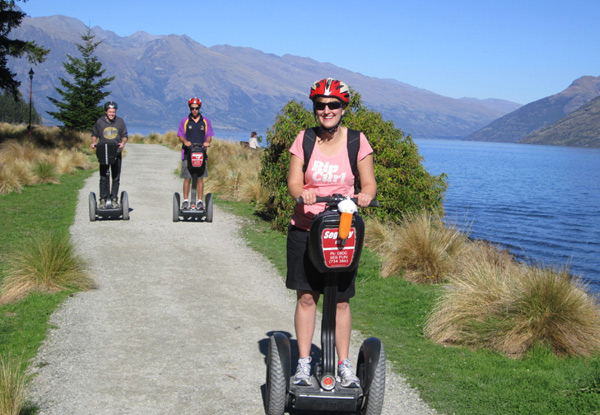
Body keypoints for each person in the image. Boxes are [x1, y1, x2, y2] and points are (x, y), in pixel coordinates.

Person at [286, 78, 377, 388]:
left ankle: (343, 364)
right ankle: (302, 364)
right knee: (307, 297)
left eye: (333, 105)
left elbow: (369, 183)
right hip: (305, 228)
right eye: (320, 105)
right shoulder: (304, 140)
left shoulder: (357, 141)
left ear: (343, 108)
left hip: (341, 231)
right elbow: (294, 182)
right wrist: (303, 193)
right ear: (315, 108)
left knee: (340, 301)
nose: (326, 111)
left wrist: (364, 195)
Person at [177, 97, 214, 210]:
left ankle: (199, 201)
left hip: (201, 154)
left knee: (199, 178)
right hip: (188, 154)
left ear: (199, 108)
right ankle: (185, 201)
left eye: (196, 108)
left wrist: (207, 142)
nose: (194, 110)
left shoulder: (205, 121)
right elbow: (181, 135)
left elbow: (209, 135)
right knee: (187, 178)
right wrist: (185, 142)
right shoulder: (185, 121)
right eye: (192, 108)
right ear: (189, 108)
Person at [91, 101, 128, 209]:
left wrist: (123, 143)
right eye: (110, 112)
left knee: (115, 177)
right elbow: (94, 134)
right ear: (106, 112)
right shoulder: (100, 122)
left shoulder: (120, 121)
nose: (112, 114)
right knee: (103, 176)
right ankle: (103, 199)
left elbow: (125, 135)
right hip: (103, 151)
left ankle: (114, 199)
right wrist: (93, 142)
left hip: (116, 152)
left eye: (113, 112)